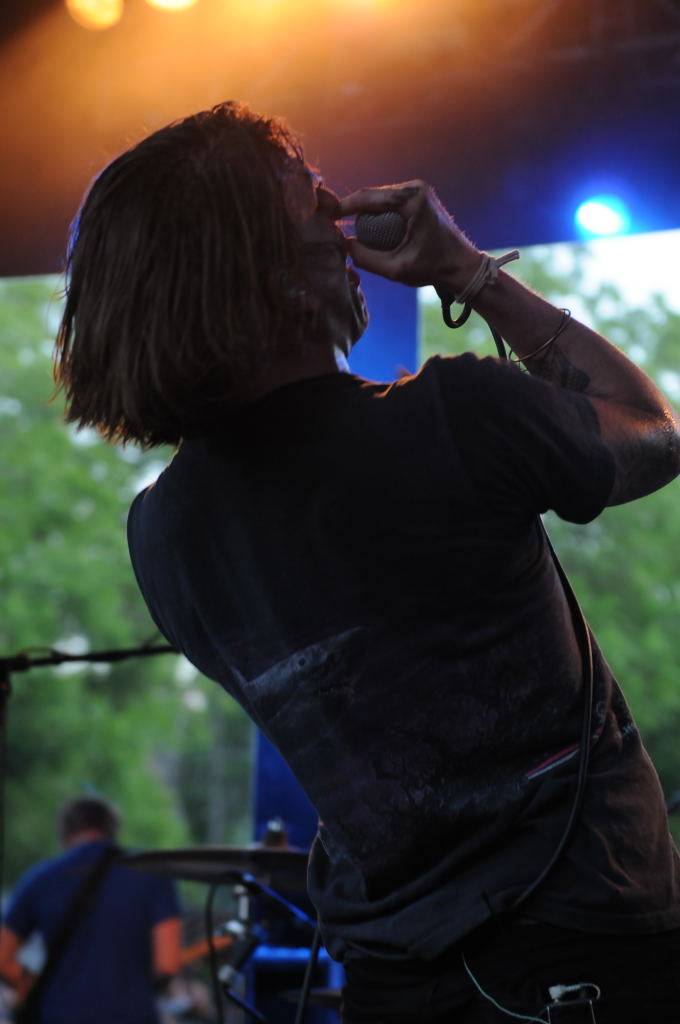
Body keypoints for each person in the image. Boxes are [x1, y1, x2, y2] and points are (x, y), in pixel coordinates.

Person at [52, 101, 680, 1022]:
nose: (337, 207)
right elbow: (654, 429)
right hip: (583, 962)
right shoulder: (452, 418)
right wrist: (468, 272)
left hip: (389, 985)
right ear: (261, 267)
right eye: (306, 195)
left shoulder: (161, 537)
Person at [0, 795, 181, 1024]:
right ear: (113, 830)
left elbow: (2, 957)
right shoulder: (152, 874)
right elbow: (167, 963)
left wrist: (28, 981)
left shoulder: (40, 878)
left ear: (65, 833)